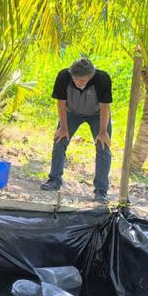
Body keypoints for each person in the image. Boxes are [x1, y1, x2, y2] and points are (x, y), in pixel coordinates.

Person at [41, 57, 113, 202]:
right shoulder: (63, 76)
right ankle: (54, 180)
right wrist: (63, 128)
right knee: (60, 140)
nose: (79, 83)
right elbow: (61, 103)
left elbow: (105, 106)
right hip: (71, 112)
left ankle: (101, 190)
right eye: (76, 80)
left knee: (103, 147)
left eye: (83, 80)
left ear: (91, 76)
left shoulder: (102, 78)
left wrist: (103, 132)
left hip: (97, 114)